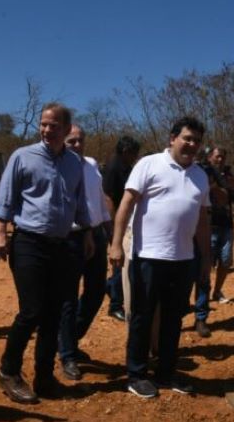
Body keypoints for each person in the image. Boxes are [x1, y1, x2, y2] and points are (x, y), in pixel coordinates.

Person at [0, 103, 93, 404]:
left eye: (54, 125)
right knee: (32, 310)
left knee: (53, 314)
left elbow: (81, 203)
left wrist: (88, 233)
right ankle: (9, 371)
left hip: (61, 245)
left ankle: (45, 377)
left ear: (66, 129)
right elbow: (6, 197)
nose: (47, 129)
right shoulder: (23, 156)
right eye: (43, 124)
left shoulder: (75, 163)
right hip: (28, 243)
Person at [110, 116, 210, 399]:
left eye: (197, 141)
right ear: (173, 138)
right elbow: (126, 203)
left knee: (172, 319)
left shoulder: (200, 175)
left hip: (183, 259)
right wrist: (116, 244)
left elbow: (202, 220)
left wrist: (205, 259)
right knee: (141, 317)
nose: (192, 145)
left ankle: (166, 373)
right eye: (187, 138)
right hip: (147, 256)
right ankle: (136, 374)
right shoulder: (149, 164)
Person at [58, 125, 113, 379]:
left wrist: (109, 230)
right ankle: (68, 354)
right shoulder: (57, 166)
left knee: (95, 292)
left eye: (80, 140)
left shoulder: (91, 164)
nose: (77, 145)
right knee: (67, 297)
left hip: (96, 233)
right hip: (70, 237)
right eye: (72, 141)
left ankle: (67, 339)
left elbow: (99, 198)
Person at [191, 146, 234, 338]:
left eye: (222, 156)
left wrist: (224, 187)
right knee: (194, 273)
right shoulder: (196, 172)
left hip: (222, 224)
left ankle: (201, 317)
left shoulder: (223, 175)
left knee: (215, 266)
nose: (219, 159)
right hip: (197, 228)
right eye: (216, 156)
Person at [103, 136, 140, 322]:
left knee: (124, 265)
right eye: (134, 153)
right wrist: (113, 227)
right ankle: (115, 305)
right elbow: (108, 197)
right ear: (126, 151)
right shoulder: (113, 166)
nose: (135, 157)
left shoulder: (128, 167)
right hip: (117, 222)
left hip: (127, 222)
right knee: (120, 264)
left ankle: (109, 287)